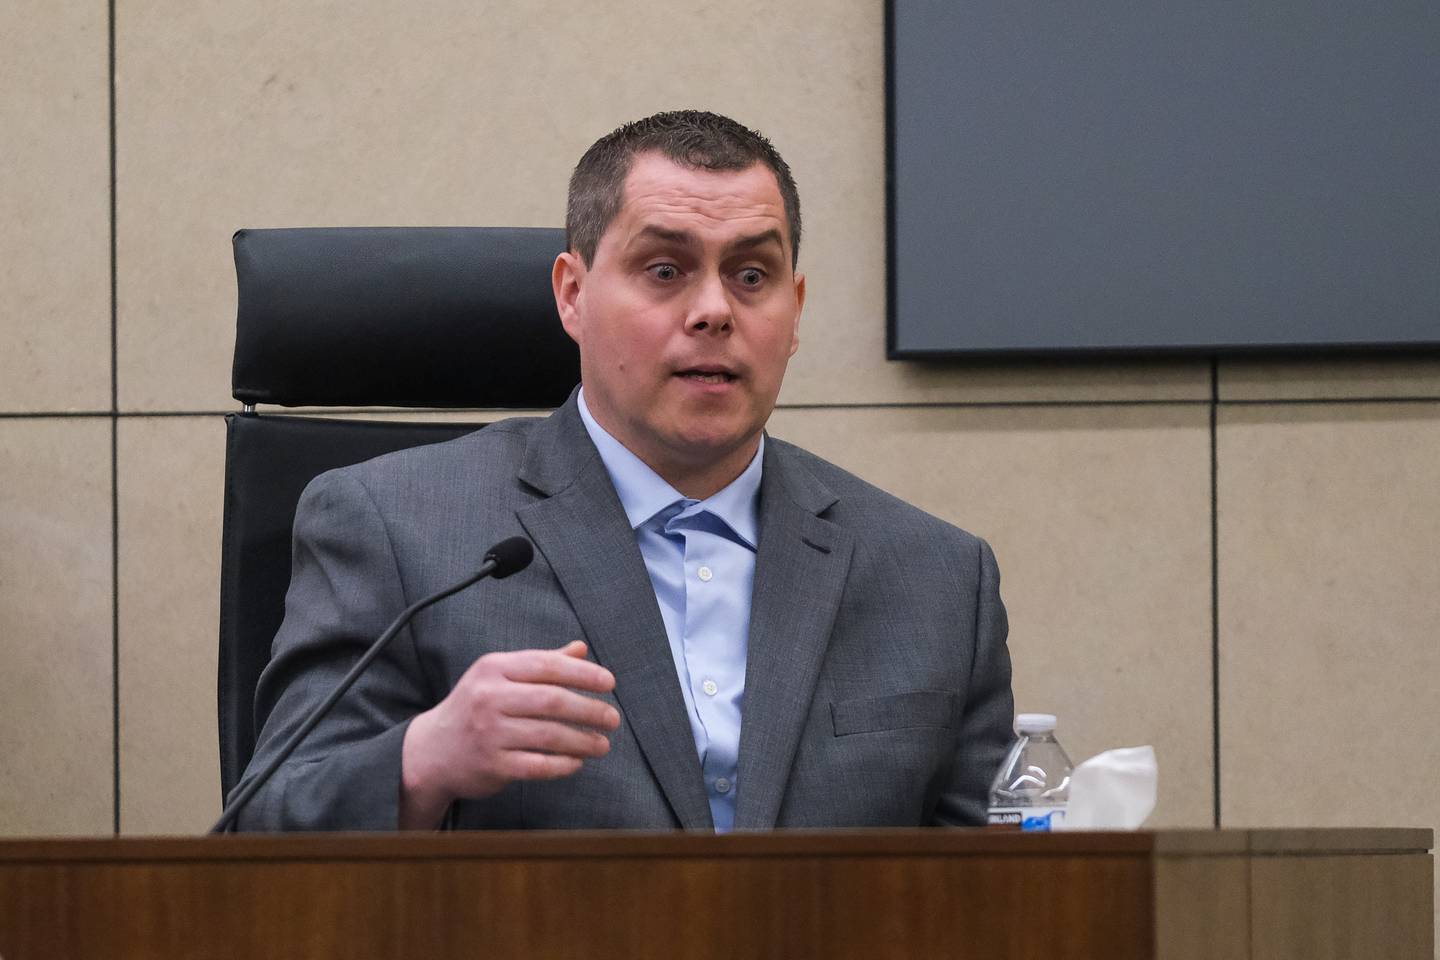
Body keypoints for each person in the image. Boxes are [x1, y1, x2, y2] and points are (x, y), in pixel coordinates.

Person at [232, 110, 1013, 832]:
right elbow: (265, 827)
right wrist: (425, 757)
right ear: (572, 295)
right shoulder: (397, 529)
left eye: (751, 277)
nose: (714, 310)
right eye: (666, 270)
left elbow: (997, 890)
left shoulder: (938, 577)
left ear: (795, 309)